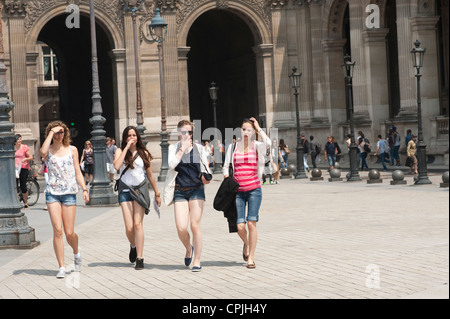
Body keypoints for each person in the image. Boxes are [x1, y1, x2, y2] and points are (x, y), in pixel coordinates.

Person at [40, 121, 89, 279]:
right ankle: (61, 266)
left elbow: (77, 172)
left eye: (62, 132)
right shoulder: (49, 151)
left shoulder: (72, 149)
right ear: (51, 134)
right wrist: (50, 134)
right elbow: (42, 152)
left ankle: (76, 252)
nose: (59, 135)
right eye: (56, 132)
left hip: (69, 193)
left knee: (69, 233)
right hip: (52, 193)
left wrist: (84, 189)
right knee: (58, 231)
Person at [223, 117, 271, 269]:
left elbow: (268, 143)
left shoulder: (257, 146)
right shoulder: (233, 147)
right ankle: (247, 243)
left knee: (251, 223)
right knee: (240, 227)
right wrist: (227, 178)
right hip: (238, 191)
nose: (246, 132)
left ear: (253, 132)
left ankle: (251, 258)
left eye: (249, 130)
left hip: (254, 190)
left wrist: (258, 127)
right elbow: (226, 167)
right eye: (244, 129)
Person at [113, 126, 161, 270]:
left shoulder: (143, 153)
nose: (132, 138)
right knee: (129, 227)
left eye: (134, 135)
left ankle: (140, 258)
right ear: (125, 138)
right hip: (125, 191)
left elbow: (150, 175)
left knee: (137, 224)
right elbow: (116, 166)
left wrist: (157, 194)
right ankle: (133, 246)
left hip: (140, 190)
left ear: (138, 137)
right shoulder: (120, 151)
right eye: (129, 136)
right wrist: (127, 147)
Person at [167, 120, 211, 272]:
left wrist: (207, 177)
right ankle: (188, 248)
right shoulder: (173, 148)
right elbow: (171, 165)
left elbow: (206, 168)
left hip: (196, 189)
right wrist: (181, 150)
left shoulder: (199, 148)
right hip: (179, 190)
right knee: (180, 227)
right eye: (184, 132)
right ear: (179, 133)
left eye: (190, 132)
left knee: (194, 225)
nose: (187, 135)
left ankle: (197, 260)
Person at [14, 134, 33, 209]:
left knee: (23, 185)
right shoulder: (12, 147)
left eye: (20, 139)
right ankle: (16, 202)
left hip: (23, 167)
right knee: (14, 186)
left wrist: (25, 159)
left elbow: (30, 157)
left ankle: (26, 202)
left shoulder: (24, 147)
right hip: (14, 168)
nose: (19, 140)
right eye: (18, 139)